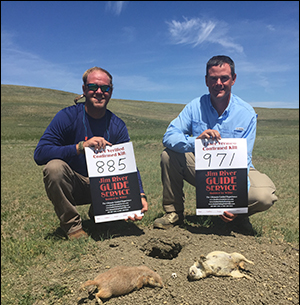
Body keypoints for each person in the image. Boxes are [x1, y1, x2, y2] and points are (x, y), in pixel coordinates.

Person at [153, 55, 277, 233]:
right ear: (206, 81)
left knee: (264, 196)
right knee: (168, 154)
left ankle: (238, 216)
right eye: (213, 78)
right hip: (201, 168)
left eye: (224, 78)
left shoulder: (246, 113)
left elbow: (244, 159)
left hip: (236, 170)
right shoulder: (194, 107)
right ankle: (174, 213)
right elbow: (169, 136)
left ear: (233, 79)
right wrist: (195, 142)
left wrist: (236, 201)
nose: (218, 83)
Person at [34, 67, 148, 239]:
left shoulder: (117, 125)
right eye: (93, 87)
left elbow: (128, 164)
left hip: (105, 187)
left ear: (111, 92)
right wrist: (80, 147)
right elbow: (40, 153)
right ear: (84, 89)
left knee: (110, 226)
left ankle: (100, 215)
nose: (99, 92)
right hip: (75, 184)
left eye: (105, 88)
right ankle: (73, 227)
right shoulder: (67, 117)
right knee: (54, 168)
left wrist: (139, 195)